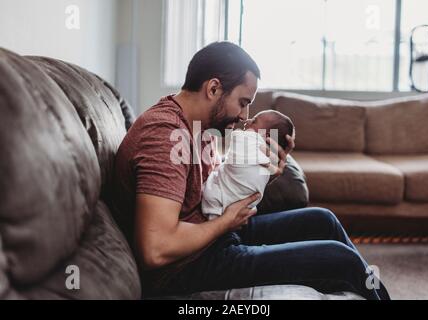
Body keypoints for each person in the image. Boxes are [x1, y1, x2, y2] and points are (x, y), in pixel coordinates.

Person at [111, 41, 390, 300]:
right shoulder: (165, 134)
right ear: (213, 89)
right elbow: (156, 248)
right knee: (340, 260)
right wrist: (224, 223)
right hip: (189, 266)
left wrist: (261, 177)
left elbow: (215, 190)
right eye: (243, 102)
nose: (245, 116)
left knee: (323, 220)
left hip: (213, 237)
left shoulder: (201, 124)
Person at [201, 110, 295, 221]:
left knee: (319, 215)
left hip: (231, 208)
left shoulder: (253, 145)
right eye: (242, 103)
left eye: (254, 121)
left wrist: (268, 177)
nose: (247, 119)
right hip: (223, 217)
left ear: (266, 135)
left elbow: (237, 138)